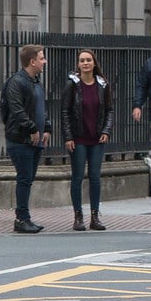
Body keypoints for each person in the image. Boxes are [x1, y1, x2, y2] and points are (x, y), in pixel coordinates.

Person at [61, 49, 115, 231]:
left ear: (94, 63)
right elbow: (65, 112)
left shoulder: (102, 84)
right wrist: (68, 136)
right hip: (78, 138)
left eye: (88, 60)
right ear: (78, 64)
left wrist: (106, 130)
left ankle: (95, 215)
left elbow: (109, 110)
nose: (85, 63)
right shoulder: (72, 85)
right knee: (77, 177)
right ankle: (78, 216)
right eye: (82, 60)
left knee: (95, 177)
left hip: (97, 138)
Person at [2, 44, 51, 233]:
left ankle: (25, 217)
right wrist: (31, 128)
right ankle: (22, 219)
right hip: (20, 140)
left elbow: (41, 108)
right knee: (24, 178)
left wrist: (46, 128)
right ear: (32, 61)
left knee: (28, 179)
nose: (44, 61)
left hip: (35, 140)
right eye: (42, 58)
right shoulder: (16, 82)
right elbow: (17, 110)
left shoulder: (36, 82)